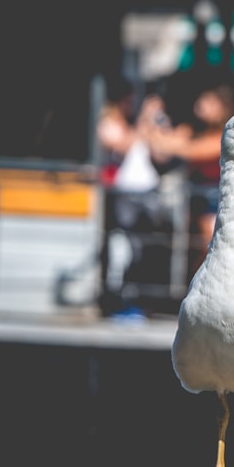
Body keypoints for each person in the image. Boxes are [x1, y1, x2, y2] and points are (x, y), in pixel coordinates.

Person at [142, 73, 234, 268]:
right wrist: (151, 121)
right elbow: (163, 150)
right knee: (189, 246)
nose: (202, 103)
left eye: (210, 100)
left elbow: (192, 151)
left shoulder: (225, 135)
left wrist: (158, 137)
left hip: (218, 198)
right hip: (194, 198)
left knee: (209, 244)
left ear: (223, 107)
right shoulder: (191, 129)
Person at [95, 85, 167, 320]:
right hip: (124, 193)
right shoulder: (111, 123)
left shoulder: (143, 126)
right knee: (123, 249)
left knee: (145, 248)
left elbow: (162, 156)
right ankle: (118, 299)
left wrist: (155, 129)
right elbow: (122, 145)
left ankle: (138, 299)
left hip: (148, 191)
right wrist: (144, 123)